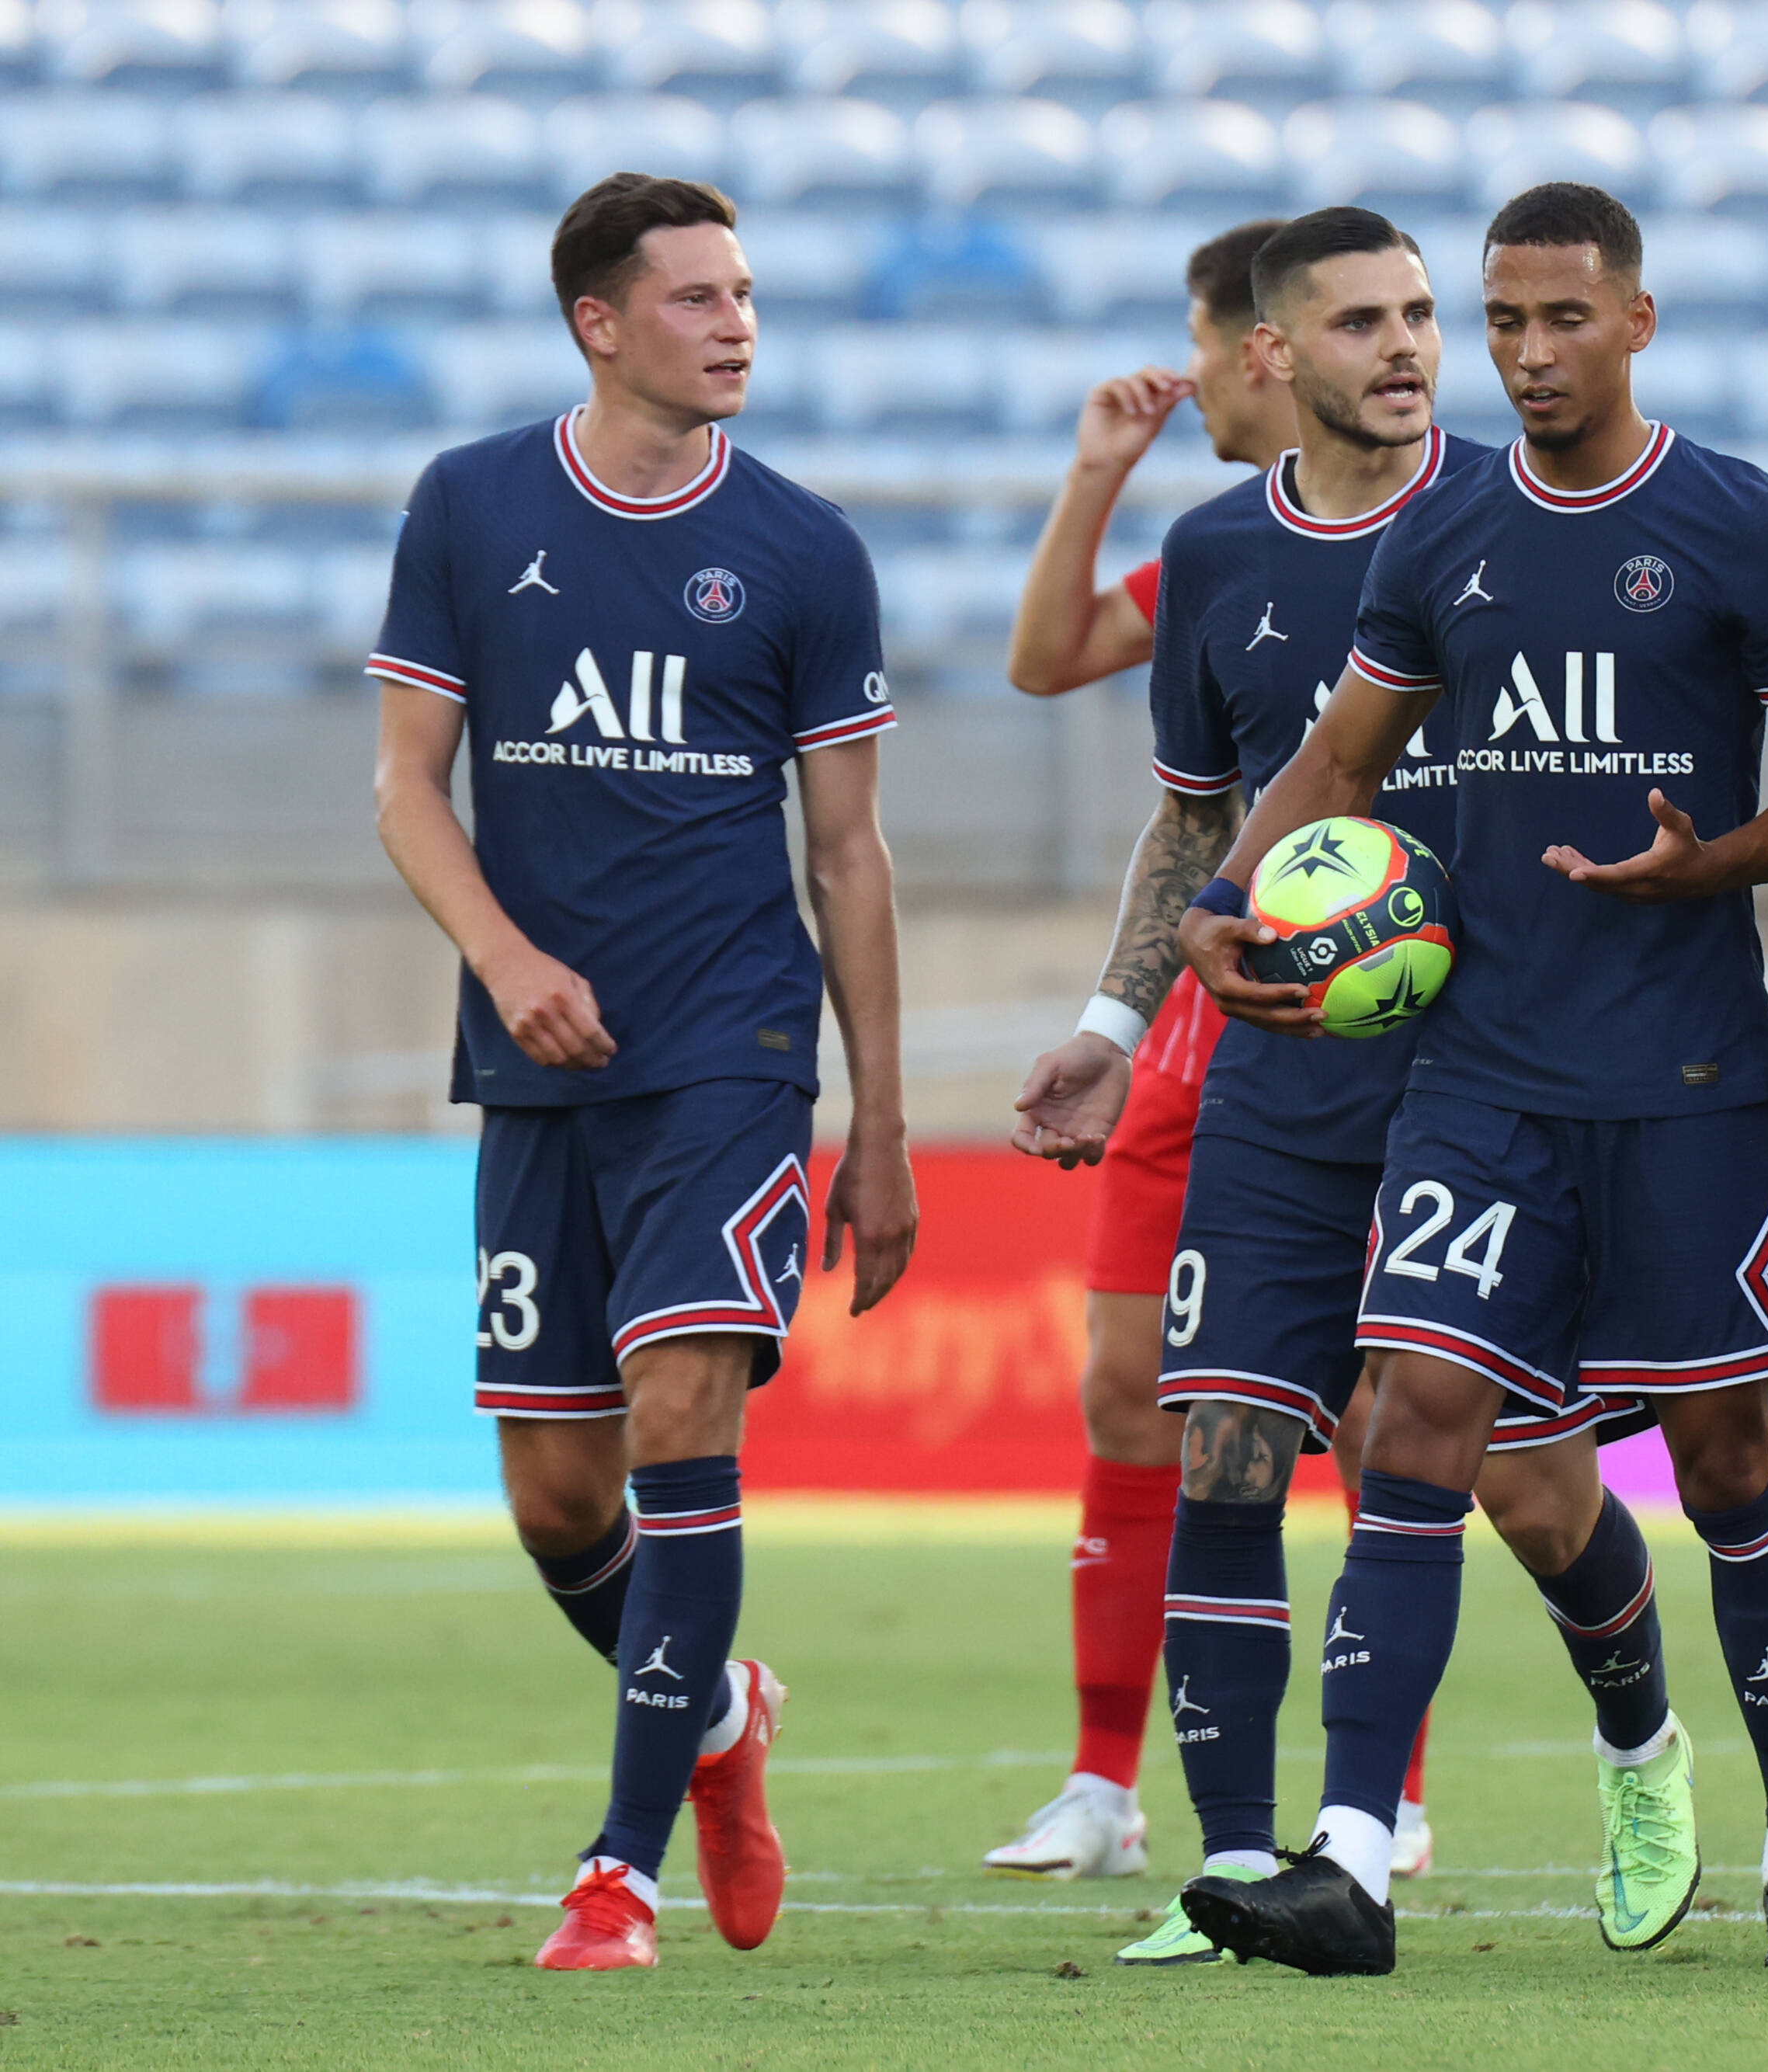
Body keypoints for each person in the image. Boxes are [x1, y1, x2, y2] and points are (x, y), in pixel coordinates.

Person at [1171, 182, 1768, 1977]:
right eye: (1502, 323)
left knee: (1730, 1459)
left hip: (1686, 1070)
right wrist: (1213, 903)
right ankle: (1348, 1859)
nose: (1524, 355)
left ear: (1635, 322)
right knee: (1413, 1423)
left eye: (1562, 320)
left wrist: (1700, 863)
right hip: (1477, 1075)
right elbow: (1337, 763)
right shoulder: (1443, 541)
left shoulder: (1735, 524)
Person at [368, 173, 917, 1971]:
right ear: (599, 322)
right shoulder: (469, 502)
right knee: (555, 1499)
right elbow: (403, 787)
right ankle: (723, 1712)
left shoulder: (806, 546)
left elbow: (847, 853)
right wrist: (508, 960)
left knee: (683, 1419)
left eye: (745, 290)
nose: (736, 322)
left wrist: (881, 1123)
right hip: (537, 1061)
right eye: (694, 297)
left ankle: (617, 1870)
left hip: (729, 1056)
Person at [1002, 204, 1481, 1961]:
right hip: (1260, 1060)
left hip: (1484, 1066)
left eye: (1425, 315)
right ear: (1287, 343)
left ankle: (1645, 1748)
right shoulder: (1214, 553)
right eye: (1371, 318)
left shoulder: (1505, 515)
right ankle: (1235, 1859)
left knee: (1528, 1469)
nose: (1411, 347)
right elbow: (1197, 810)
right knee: (1212, 1424)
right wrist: (1115, 1025)